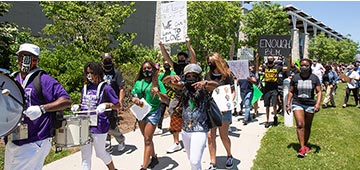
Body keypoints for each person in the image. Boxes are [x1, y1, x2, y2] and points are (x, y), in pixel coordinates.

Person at [4, 43, 72, 170]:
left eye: (30, 57)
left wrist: (42, 109)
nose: (25, 60)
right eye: (22, 56)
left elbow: (66, 101)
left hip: (35, 140)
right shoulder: (13, 79)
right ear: (18, 58)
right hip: (14, 140)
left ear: (36, 60)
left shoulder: (43, 80)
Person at [163, 64, 219, 170]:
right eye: (188, 76)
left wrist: (205, 83)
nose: (191, 78)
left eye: (194, 75)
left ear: (198, 76)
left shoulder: (204, 88)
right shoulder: (183, 87)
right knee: (192, 160)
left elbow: (216, 84)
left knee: (195, 160)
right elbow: (165, 81)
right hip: (185, 131)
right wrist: (170, 77)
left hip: (200, 129)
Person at [76, 62, 119, 170]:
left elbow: (118, 105)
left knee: (100, 153)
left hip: (99, 125)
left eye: (91, 72)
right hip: (84, 124)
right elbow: (85, 104)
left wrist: (106, 104)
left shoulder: (106, 88)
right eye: (87, 73)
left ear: (98, 73)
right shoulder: (85, 88)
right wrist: (78, 106)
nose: (89, 75)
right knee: (85, 156)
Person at [159, 37, 197, 153]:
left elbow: (193, 58)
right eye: (179, 58)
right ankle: (176, 142)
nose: (180, 59)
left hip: (189, 94)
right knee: (172, 110)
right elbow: (167, 58)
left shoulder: (190, 67)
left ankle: (190, 140)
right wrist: (161, 46)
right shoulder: (176, 67)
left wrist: (188, 44)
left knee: (190, 116)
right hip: (178, 94)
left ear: (186, 59)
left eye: (182, 58)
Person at [131, 60, 169, 170]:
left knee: (147, 140)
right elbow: (134, 95)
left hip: (153, 112)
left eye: (148, 68)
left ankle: (144, 166)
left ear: (153, 69)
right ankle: (154, 157)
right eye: (144, 69)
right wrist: (135, 99)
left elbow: (166, 99)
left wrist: (158, 93)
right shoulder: (138, 82)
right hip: (141, 112)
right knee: (147, 138)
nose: (146, 70)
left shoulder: (158, 83)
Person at [286, 58, 322, 158]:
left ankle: (305, 144)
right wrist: (288, 104)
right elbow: (291, 91)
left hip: (310, 104)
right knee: (300, 124)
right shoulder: (295, 78)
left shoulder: (314, 78)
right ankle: (302, 148)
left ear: (310, 66)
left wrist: (317, 104)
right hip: (298, 103)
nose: (304, 67)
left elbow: (319, 92)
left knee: (307, 126)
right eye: (302, 65)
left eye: (306, 65)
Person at [205, 52, 235, 170]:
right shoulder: (207, 76)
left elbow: (232, 92)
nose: (210, 65)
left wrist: (228, 103)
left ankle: (229, 155)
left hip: (224, 109)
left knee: (223, 135)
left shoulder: (227, 75)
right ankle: (213, 162)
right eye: (208, 63)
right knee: (210, 136)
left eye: (211, 63)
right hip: (211, 108)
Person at [101, 53, 126, 152]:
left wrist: (120, 102)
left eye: (109, 61)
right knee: (103, 122)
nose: (107, 63)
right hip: (102, 102)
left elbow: (121, 89)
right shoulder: (100, 73)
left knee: (111, 124)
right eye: (105, 61)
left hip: (113, 102)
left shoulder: (117, 73)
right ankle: (107, 143)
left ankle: (121, 139)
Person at [256, 54, 290, 128]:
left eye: (271, 59)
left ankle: (275, 116)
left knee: (274, 104)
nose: (270, 60)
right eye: (269, 59)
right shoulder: (265, 67)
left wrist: (288, 60)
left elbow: (287, 69)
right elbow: (257, 69)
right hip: (267, 89)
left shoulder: (277, 67)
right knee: (267, 105)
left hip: (274, 88)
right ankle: (267, 121)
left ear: (273, 60)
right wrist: (257, 60)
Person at [156, 60, 177, 134]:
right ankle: (159, 127)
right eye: (165, 64)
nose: (166, 66)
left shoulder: (173, 73)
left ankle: (173, 126)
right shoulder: (161, 75)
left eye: (168, 64)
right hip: (164, 97)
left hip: (172, 96)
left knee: (172, 112)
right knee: (161, 112)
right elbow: (158, 83)